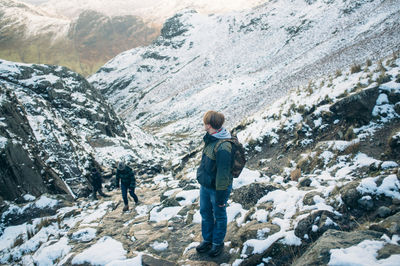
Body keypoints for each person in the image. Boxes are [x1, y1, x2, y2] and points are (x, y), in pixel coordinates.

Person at [196, 110, 233, 257]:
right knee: (205, 212)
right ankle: (208, 239)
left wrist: (220, 196)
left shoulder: (223, 147)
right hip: (206, 185)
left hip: (218, 188)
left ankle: (217, 243)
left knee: (219, 214)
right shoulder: (210, 138)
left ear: (209, 125)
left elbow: (223, 174)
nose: (203, 124)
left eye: (205, 122)